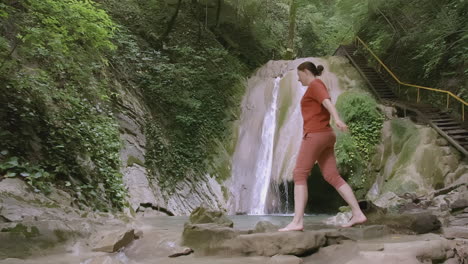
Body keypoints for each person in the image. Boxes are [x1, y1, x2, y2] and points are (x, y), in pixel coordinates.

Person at [279, 61, 367, 231]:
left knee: (299, 174)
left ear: (306, 72)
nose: (298, 80)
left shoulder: (315, 85)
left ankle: (297, 222)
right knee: (332, 176)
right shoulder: (317, 85)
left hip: (315, 135)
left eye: (299, 76)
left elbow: (327, 102)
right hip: (326, 135)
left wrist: (337, 119)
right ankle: (357, 213)